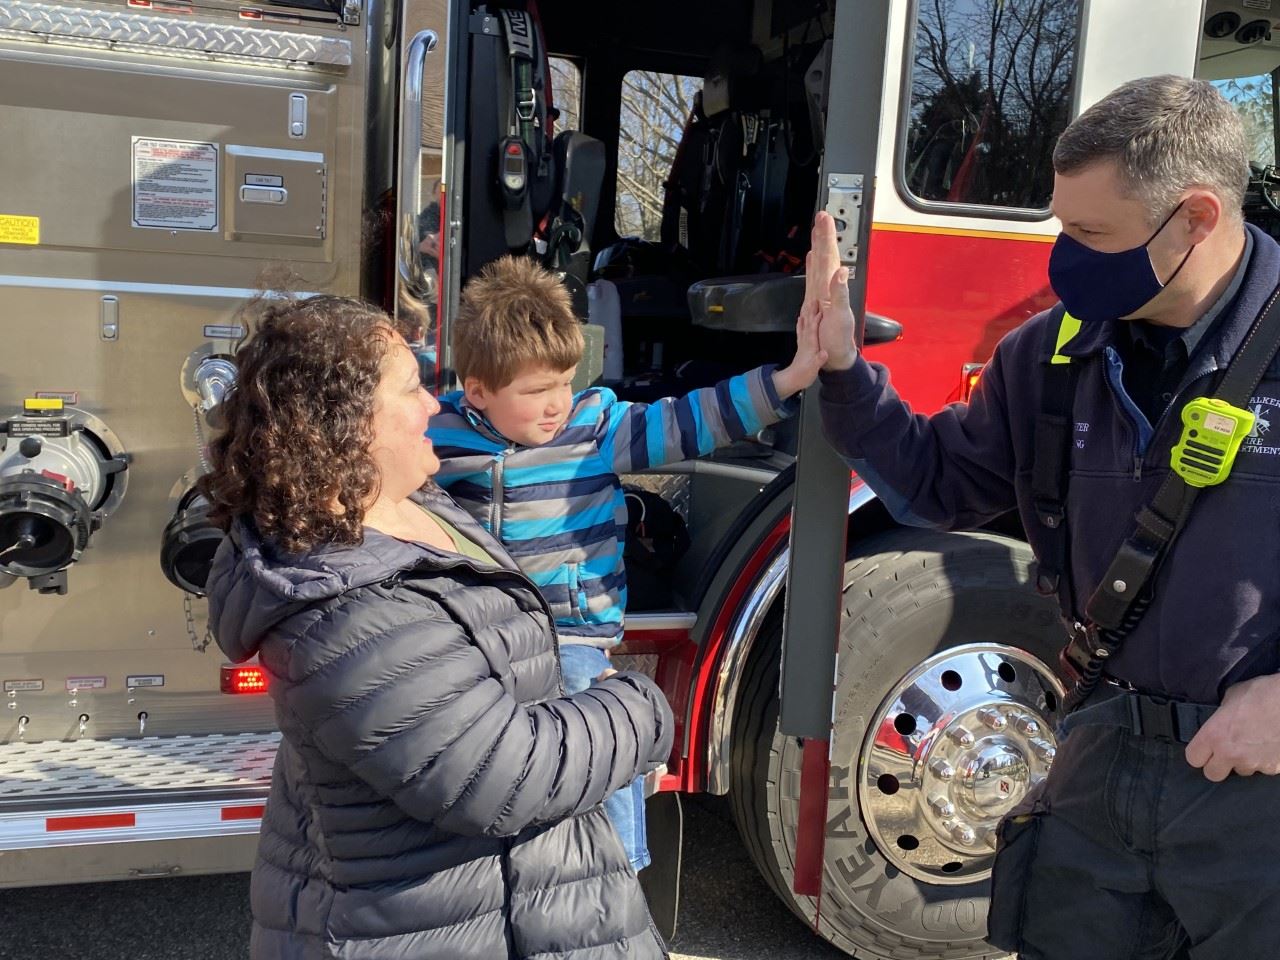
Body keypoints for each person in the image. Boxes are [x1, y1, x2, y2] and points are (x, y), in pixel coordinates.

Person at [807, 75, 1280, 959]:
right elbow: (939, 483)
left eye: (1091, 235)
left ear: (1198, 219)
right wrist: (843, 373)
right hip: (1098, 769)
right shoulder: (1049, 354)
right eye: (1061, 228)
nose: (1065, 258)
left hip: (1257, 793)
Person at [200, 295, 675, 959]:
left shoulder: (415, 501)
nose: (434, 403)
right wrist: (645, 708)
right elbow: (501, 776)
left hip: (514, 903)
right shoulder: (340, 606)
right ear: (346, 425)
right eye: (412, 387)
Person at [428, 255, 827, 871]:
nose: (557, 403)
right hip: (483, 636)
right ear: (478, 390)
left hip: (573, 633)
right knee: (495, 761)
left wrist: (785, 381)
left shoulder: (593, 426)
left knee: (602, 740)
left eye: (564, 381)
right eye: (536, 392)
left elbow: (688, 421)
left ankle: (620, 868)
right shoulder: (444, 437)